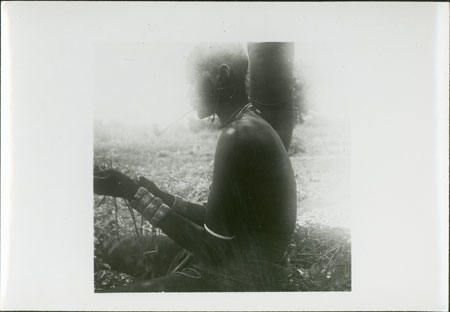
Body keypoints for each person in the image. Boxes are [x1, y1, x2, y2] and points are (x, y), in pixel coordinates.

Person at [94, 43, 297, 292]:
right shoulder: (247, 124)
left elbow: (214, 249)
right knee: (119, 248)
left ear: (221, 75)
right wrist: (159, 195)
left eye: (191, 81)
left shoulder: (238, 135)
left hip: (246, 276)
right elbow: (217, 220)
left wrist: (131, 192)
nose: (188, 92)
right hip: (241, 256)